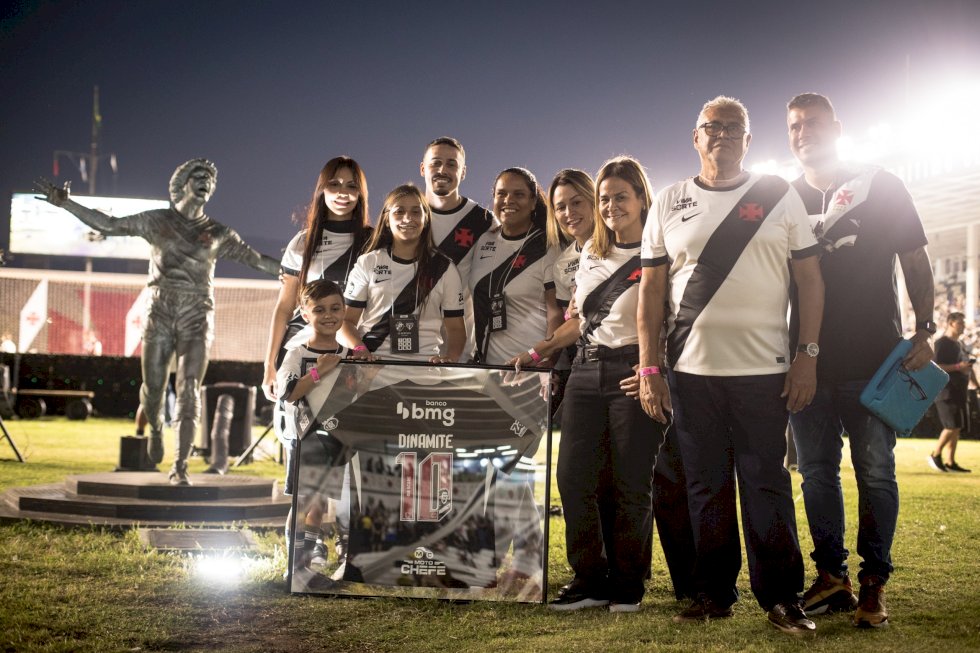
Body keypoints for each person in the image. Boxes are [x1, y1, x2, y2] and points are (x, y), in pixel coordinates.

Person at [638, 96, 824, 634]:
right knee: (705, 487)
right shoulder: (669, 200)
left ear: (748, 139)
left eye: (733, 127)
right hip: (690, 372)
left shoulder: (777, 193)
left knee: (766, 483)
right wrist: (650, 369)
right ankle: (713, 593)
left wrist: (807, 356)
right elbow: (651, 293)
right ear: (695, 137)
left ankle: (782, 597)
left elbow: (810, 281)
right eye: (712, 126)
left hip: (764, 371)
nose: (722, 134)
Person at [511, 156, 690, 612]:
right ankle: (589, 579)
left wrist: (653, 369)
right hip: (587, 372)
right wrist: (539, 352)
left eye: (620, 197)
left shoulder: (662, 250)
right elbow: (581, 321)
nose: (611, 207)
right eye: (605, 199)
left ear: (642, 198)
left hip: (635, 370)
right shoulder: (591, 251)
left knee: (631, 483)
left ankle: (627, 585)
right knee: (572, 477)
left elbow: (672, 320)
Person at [784, 92, 936, 628]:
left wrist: (926, 328)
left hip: (874, 359)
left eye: (814, 122)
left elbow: (914, 257)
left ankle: (874, 581)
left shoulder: (880, 183)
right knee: (815, 474)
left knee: (875, 472)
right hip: (807, 363)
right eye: (795, 125)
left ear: (837, 127)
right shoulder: (784, 196)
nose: (804, 132)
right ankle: (832, 577)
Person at [35, 160, 279, 485]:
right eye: (199, 176)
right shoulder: (157, 221)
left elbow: (258, 261)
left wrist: (300, 273)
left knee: (189, 388)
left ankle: (180, 465)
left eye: (210, 179)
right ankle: (156, 427)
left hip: (197, 312)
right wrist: (67, 204)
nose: (206, 182)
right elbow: (110, 225)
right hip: (160, 309)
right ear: (183, 183)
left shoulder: (218, 233)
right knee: (153, 389)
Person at [262, 157, 371, 402]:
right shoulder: (303, 241)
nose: (343, 193)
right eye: (335, 184)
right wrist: (269, 365)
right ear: (322, 189)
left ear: (360, 194)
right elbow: (284, 308)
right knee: (297, 421)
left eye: (351, 186)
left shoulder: (374, 242)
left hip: (351, 353)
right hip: (303, 350)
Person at [276, 279, 350, 589]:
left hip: (335, 440)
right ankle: (293, 569)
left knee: (319, 505)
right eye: (319, 310)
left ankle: (305, 568)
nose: (328, 315)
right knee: (303, 503)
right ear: (306, 315)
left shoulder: (349, 355)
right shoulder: (297, 353)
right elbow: (289, 392)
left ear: (344, 311)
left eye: (335, 308)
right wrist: (319, 370)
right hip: (306, 439)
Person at [341, 184, 465, 363]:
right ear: (387, 219)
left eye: (416, 212)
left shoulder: (444, 268)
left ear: (426, 218)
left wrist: (450, 361)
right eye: (399, 212)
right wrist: (360, 350)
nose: (408, 218)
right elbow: (346, 322)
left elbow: (456, 328)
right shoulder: (368, 262)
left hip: (424, 367)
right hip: (373, 365)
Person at [469, 167, 562, 364]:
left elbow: (556, 313)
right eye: (501, 194)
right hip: (487, 368)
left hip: (530, 365)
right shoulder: (483, 240)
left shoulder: (547, 246)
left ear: (533, 202)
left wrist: (545, 360)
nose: (508, 200)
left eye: (519, 194)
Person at [420, 137, 496, 357]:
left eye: (451, 164)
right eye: (435, 163)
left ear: (463, 172)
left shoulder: (483, 221)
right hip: (410, 343)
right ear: (423, 168)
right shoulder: (404, 217)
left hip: (460, 348)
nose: (442, 170)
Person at [930, 312, 976, 473]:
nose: (963, 326)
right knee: (951, 426)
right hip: (946, 391)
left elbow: (967, 366)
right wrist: (958, 367)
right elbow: (935, 366)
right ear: (950, 323)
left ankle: (950, 462)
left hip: (960, 391)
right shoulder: (942, 343)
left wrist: (976, 384)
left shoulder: (960, 344)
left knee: (957, 427)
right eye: (960, 323)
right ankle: (935, 455)